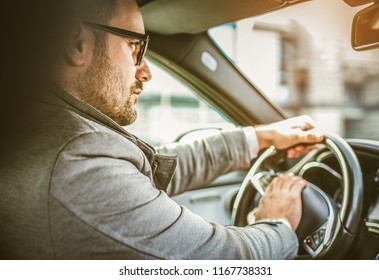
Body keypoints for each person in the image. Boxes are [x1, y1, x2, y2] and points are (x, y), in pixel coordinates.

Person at [0, 0, 324, 259]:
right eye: (134, 47)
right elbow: (222, 260)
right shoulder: (75, 159)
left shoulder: (43, 130)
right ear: (75, 42)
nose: (146, 72)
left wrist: (261, 137)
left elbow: (157, 168)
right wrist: (279, 223)